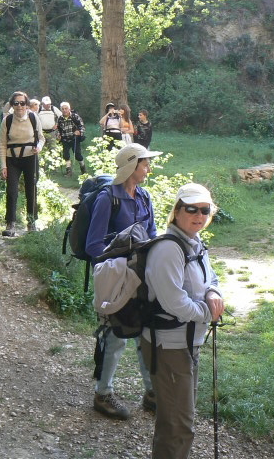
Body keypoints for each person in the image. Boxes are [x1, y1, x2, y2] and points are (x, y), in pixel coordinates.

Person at [141, 183, 224, 459]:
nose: (199, 215)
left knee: (178, 418)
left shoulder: (194, 242)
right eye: (191, 209)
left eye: (205, 209)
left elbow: (211, 278)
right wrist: (207, 312)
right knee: (179, 425)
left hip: (187, 344)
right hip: (169, 347)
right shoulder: (168, 250)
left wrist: (212, 292)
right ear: (176, 211)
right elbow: (174, 303)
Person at [85, 143, 163, 420]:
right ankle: (102, 394)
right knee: (115, 336)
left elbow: (152, 235)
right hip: (117, 280)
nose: (148, 168)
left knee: (146, 334)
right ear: (132, 166)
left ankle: (152, 393)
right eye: (145, 163)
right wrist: (117, 270)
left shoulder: (144, 196)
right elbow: (93, 245)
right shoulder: (108, 198)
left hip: (141, 278)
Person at [0, 91, 45, 236]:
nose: (19, 106)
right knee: (11, 191)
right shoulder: (7, 120)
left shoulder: (33, 117)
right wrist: (3, 165)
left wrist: (39, 147)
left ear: (27, 104)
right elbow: (2, 144)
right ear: (12, 105)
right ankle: (10, 224)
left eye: (22, 103)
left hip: (31, 157)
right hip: (12, 159)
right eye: (16, 103)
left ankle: (31, 222)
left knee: (31, 189)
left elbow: (41, 138)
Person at [57, 101, 86, 176]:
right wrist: (59, 135)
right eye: (62, 109)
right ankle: (68, 171)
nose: (64, 110)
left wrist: (79, 131)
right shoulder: (60, 119)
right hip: (65, 139)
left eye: (66, 108)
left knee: (77, 155)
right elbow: (59, 129)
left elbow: (82, 126)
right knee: (66, 155)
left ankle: (83, 169)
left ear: (69, 109)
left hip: (74, 139)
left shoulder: (75, 116)